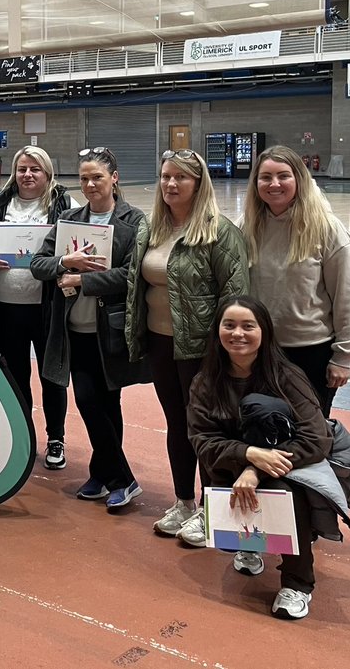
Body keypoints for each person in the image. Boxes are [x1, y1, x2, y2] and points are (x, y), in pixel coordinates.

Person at [127, 148, 249, 544]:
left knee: (206, 430)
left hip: (202, 349)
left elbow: (235, 298)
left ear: (199, 184)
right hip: (162, 344)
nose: (171, 184)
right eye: (165, 176)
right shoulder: (153, 229)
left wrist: (226, 351)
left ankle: (212, 508)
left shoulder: (220, 232)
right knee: (177, 425)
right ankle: (184, 502)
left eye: (181, 177)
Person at [188, 296, 332, 620]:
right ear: (218, 332)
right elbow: (201, 438)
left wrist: (257, 468)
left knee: (285, 493)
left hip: (286, 463)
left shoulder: (287, 376)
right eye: (229, 325)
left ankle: (298, 583)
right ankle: (249, 545)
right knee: (220, 477)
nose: (238, 333)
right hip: (233, 463)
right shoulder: (206, 382)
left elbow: (316, 437)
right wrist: (247, 454)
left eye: (247, 326)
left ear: (263, 331)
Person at [31, 147, 148, 510]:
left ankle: (109, 475)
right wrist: (66, 262)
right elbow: (38, 263)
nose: (90, 184)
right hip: (72, 331)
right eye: (83, 178)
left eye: (97, 176)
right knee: (88, 400)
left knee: (105, 403)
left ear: (114, 178)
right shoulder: (69, 218)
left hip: (108, 332)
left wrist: (83, 282)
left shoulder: (135, 221)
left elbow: (132, 275)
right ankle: (116, 477)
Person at [241, 145, 350, 417]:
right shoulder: (246, 225)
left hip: (311, 354)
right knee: (263, 433)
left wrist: (343, 356)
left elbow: (349, 297)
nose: (274, 184)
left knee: (309, 438)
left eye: (283, 176)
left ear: (299, 178)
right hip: (260, 352)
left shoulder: (327, 228)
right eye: (265, 177)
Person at [0, 146, 76, 470]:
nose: (27, 175)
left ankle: (56, 438)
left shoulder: (64, 204)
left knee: (52, 376)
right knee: (16, 375)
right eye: (22, 168)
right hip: (6, 305)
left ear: (48, 173)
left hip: (46, 305)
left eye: (35, 169)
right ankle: (24, 436)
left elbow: (75, 245)